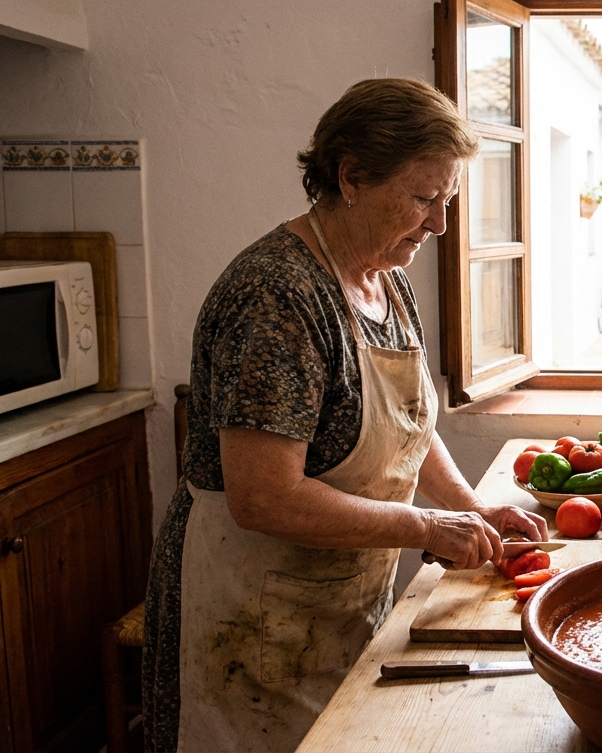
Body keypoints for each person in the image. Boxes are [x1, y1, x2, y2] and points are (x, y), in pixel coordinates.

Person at [142, 78, 548, 752]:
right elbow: (264, 497)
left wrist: (471, 510)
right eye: (423, 199)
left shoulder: (387, 280)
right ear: (352, 176)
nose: (440, 225)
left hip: (328, 605)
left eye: (446, 201)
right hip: (250, 616)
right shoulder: (278, 293)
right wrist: (425, 525)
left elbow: (409, 433)